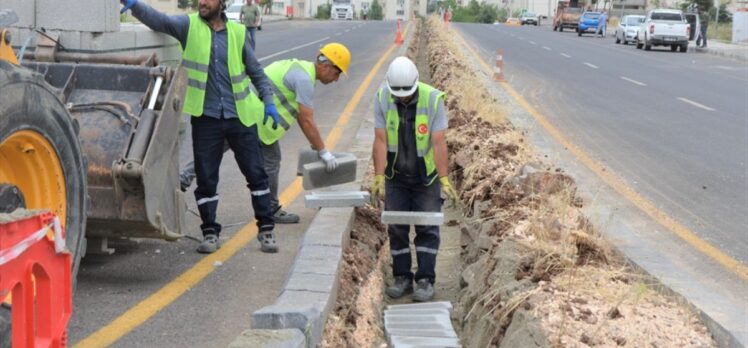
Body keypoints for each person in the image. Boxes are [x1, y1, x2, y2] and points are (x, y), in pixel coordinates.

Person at [120, 0, 281, 254]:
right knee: (206, 178)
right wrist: (134, 5)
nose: (202, 2)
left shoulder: (238, 33)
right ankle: (210, 233)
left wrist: (269, 101)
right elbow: (159, 20)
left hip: (241, 116)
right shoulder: (188, 26)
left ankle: (267, 229)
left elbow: (256, 72)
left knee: (257, 175)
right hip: (206, 119)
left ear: (222, 3)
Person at [180, 43, 351, 224]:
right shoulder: (304, 80)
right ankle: (271, 208)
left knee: (215, 150)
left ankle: (183, 178)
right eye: (337, 73)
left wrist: (317, 146)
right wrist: (324, 152)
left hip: (241, 107)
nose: (336, 79)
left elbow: (302, 116)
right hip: (253, 116)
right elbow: (307, 120)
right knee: (270, 161)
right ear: (326, 66)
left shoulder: (298, 68)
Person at [370, 56, 458, 302]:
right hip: (395, 176)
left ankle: (425, 279)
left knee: (427, 227)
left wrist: (444, 178)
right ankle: (402, 277)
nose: (402, 98)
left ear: (416, 83)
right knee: (397, 227)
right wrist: (378, 175)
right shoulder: (382, 98)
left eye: (406, 94)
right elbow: (380, 139)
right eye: (398, 94)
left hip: (425, 178)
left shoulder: (432, 99)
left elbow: (439, 142)